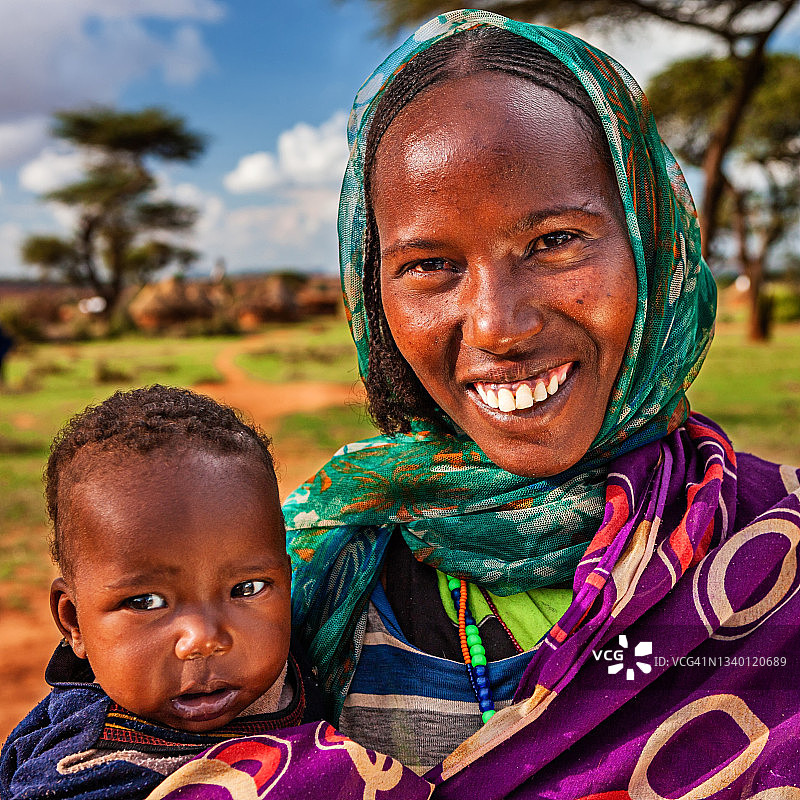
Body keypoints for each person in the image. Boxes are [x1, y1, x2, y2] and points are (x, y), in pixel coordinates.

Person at [138, 9, 800, 799]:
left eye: (555, 241)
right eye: (431, 264)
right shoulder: (298, 581)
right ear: (373, 290)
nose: (497, 326)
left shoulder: (774, 550)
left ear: (650, 244)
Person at [0, 386, 432, 800]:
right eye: (146, 602)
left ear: (287, 580)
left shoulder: (310, 656)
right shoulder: (84, 768)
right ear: (73, 621)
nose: (204, 639)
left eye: (246, 589)